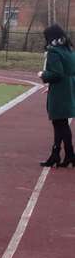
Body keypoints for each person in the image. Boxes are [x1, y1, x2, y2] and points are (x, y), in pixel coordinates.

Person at [37, 24, 75, 167]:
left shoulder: (54, 52)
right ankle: (60, 154)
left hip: (60, 90)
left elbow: (57, 74)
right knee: (61, 123)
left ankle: (65, 154)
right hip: (68, 88)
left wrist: (43, 75)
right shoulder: (69, 50)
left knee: (60, 124)